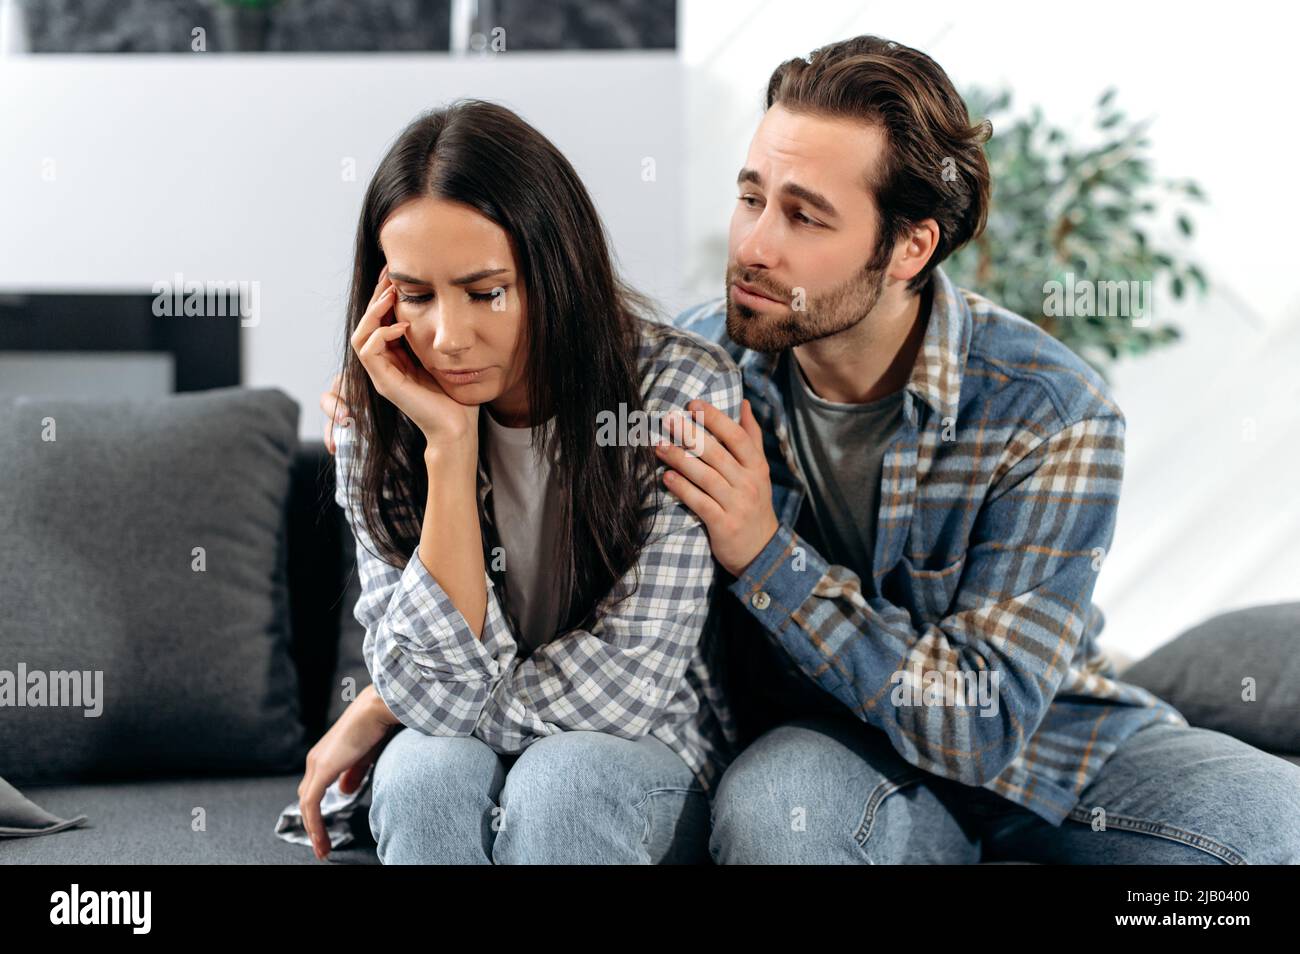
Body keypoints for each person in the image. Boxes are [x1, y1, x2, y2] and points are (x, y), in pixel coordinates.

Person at [657, 35, 1300, 863]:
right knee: (787, 807)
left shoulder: (1052, 412)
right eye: (752, 198)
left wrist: (765, 556)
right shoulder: (692, 374)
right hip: (826, 750)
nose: (753, 244)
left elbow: (986, 721)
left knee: (1268, 822)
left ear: (909, 249)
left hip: (1038, 741)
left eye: (804, 215)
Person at [298, 99, 743, 864]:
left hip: (634, 755)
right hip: (471, 744)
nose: (447, 336)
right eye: (415, 293)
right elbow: (424, 694)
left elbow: (627, 689)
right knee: (421, 780)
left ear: (554, 270)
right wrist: (446, 444)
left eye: (485, 291)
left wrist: (392, 704)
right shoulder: (377, 415)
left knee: (559, 784)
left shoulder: (677, 390)